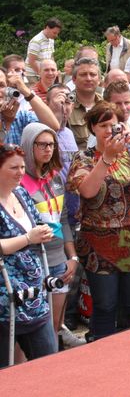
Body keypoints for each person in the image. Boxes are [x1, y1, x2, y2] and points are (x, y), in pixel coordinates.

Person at [66, 101, 130, 340]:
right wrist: (107, 158)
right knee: (105, 307)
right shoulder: (84, 158)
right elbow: (87, 191)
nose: (109, 130)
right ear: (92, 128)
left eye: (114, 124)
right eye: (103, 125)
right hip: (99, 246)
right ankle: (104, 356)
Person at [19, 123, 82, 348]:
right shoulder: (19, 182)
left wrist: (72, 257)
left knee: (54, 326)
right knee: (34, 328)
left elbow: (63, 220)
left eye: (52, 145)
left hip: (58, 260)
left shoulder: (55, 177)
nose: (48, 149)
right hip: (33, 261)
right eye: (42, 144)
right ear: (28, 145)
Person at [0, 144, 58, 368]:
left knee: (48, 360)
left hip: (33, 293)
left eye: (23, 167)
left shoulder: (22, 194)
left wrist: (43, 231)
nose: (20, 172)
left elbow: (36, 225)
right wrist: (28, 238)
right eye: (13, 167)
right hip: (5, 297)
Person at [0, 67, 60, 145]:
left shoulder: (19, 116)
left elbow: (53, 126)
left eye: (1, 85)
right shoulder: (10, 117)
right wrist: (7, 123)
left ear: (8, 88)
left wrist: (26, 91)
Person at [67, 57, 102, 150]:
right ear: (74, 79)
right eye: (83, 75)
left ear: (99, 79)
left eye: (93, 74)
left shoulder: (106, 105)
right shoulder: (65, 105)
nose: (88, 78)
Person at [25, 17, 62, 82]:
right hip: (33, 75)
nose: (56, 35)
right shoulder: (36, 41)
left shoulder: (51, 40)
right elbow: (32, 61)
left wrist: (54, 70)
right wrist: (42, 74)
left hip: (44, 74)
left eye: (57, 33)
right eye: (54, 33)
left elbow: (51, 57)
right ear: (47, 28)